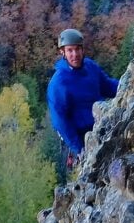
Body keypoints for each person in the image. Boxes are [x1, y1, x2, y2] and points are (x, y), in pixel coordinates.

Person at [47, 28, 119, 167]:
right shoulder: (59, 84)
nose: (75, 54)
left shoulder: (90, 67)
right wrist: (79, 149)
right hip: (81, 139)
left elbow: (107, 86)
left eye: (77, 49)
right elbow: (60, 122)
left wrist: (127, 86)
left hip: (102, 127)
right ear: (63, 52)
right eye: (70, 50)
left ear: (82, 49)